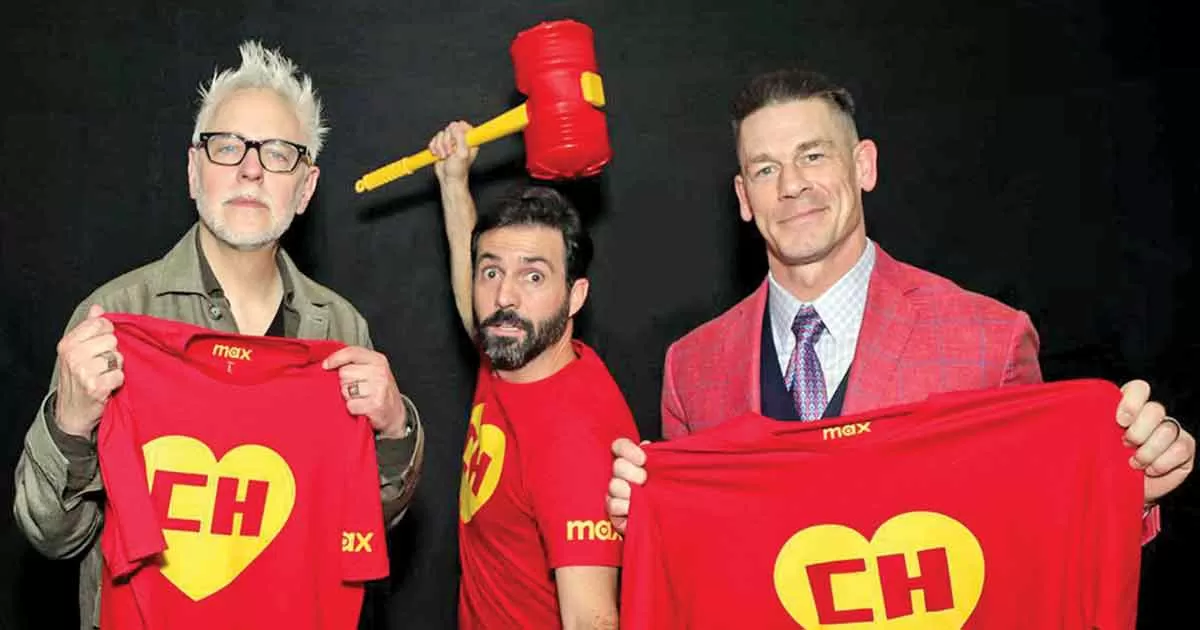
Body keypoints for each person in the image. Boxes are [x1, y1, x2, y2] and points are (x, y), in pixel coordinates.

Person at [605, 68, 1194, 538]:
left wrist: (1128, 488)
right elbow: (700, 562)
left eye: (813, 155)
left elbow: (1042, 523)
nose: (791, 185)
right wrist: (654, 525)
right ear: (743, 196)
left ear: (864, 165)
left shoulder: (988, 341)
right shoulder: (692, 367)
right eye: (765, 168)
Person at [12, 40, 425, 629]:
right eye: (227, 146)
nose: (251, 169)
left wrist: (395, 430)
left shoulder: (341, 331)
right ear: (193, 171)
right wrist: (70, 425)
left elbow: (359, 528)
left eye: (278, 153)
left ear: (306, 188)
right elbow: (53, 536)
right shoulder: (113, 321)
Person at [428, 122, 638, 630]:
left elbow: (591, 620)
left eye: (534, 276)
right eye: (492, 272)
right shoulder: (513, 350)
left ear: (576, 296)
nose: (504, 297)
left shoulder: (576, 438)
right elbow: (474, 302)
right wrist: (453, 183)